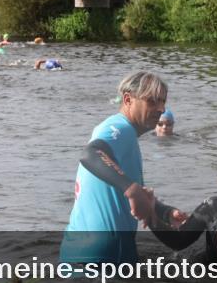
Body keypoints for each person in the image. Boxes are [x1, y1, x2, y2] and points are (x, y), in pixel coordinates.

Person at [59, 71, 168, 264]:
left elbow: (121, 192)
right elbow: (90, 154)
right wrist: (132, 189)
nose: (160, 108)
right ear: (128, 100)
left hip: (80, 249)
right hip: (103, 254)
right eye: (152, 101)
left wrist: (165, 212)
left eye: (162, 101)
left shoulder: (124, 137)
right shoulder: (120, 129)